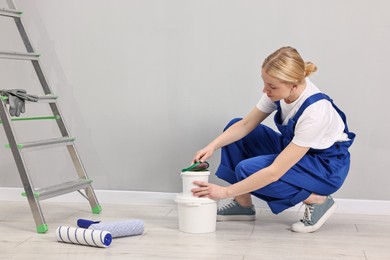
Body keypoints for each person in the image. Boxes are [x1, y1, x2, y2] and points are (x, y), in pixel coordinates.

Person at [190, 46, 355, 233]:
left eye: (272, 86)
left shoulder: (315, 112)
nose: (265, 90)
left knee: (248, 169)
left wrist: (225, 192)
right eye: (265, 83)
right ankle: (242, 205)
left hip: (325, 167)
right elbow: (245, 125)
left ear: (294, 84)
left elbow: (274, 172)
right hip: (296, 150)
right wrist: (212, 146)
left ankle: (317, 200)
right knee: (234, 127)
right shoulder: (280, 91)